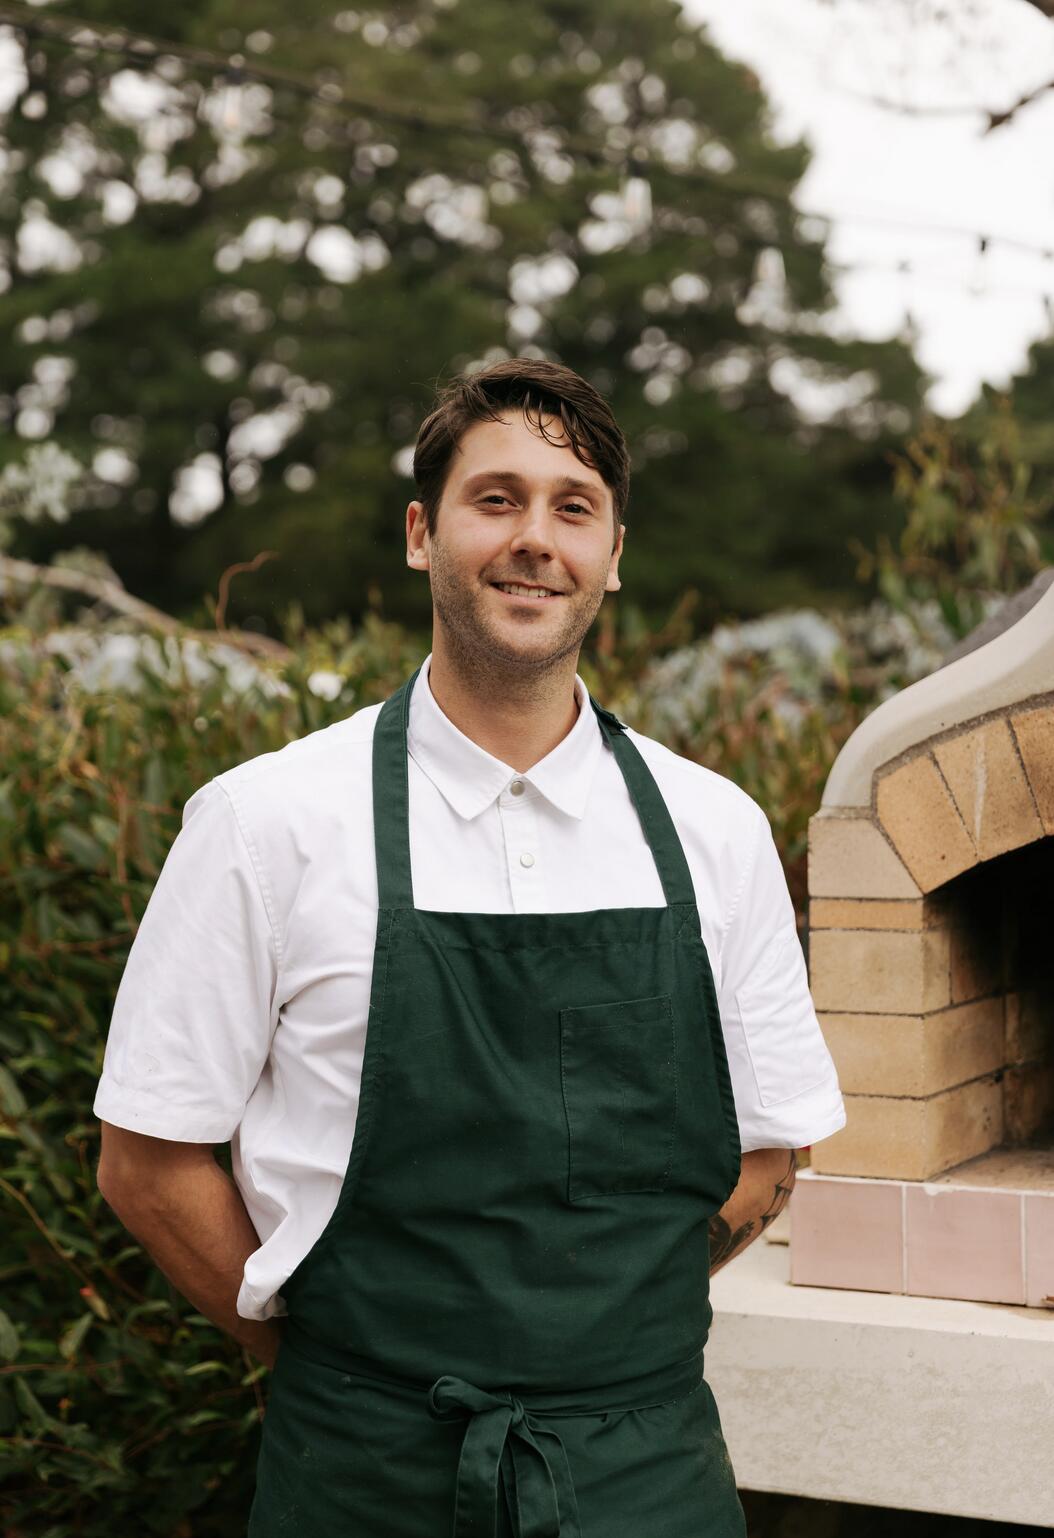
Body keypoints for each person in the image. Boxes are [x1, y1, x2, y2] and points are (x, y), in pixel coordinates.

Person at [95, 357, 845, 1537]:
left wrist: (591, 1335)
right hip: (360, 1470)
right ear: (419, 533)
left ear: (611, 553)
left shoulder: (715, 829)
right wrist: (344, 1365)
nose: (534, 537)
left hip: (641, 1470)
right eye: (494, 498)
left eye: (572, 505)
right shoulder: (266, 820)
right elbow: (146, 1160)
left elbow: (771, 1149)